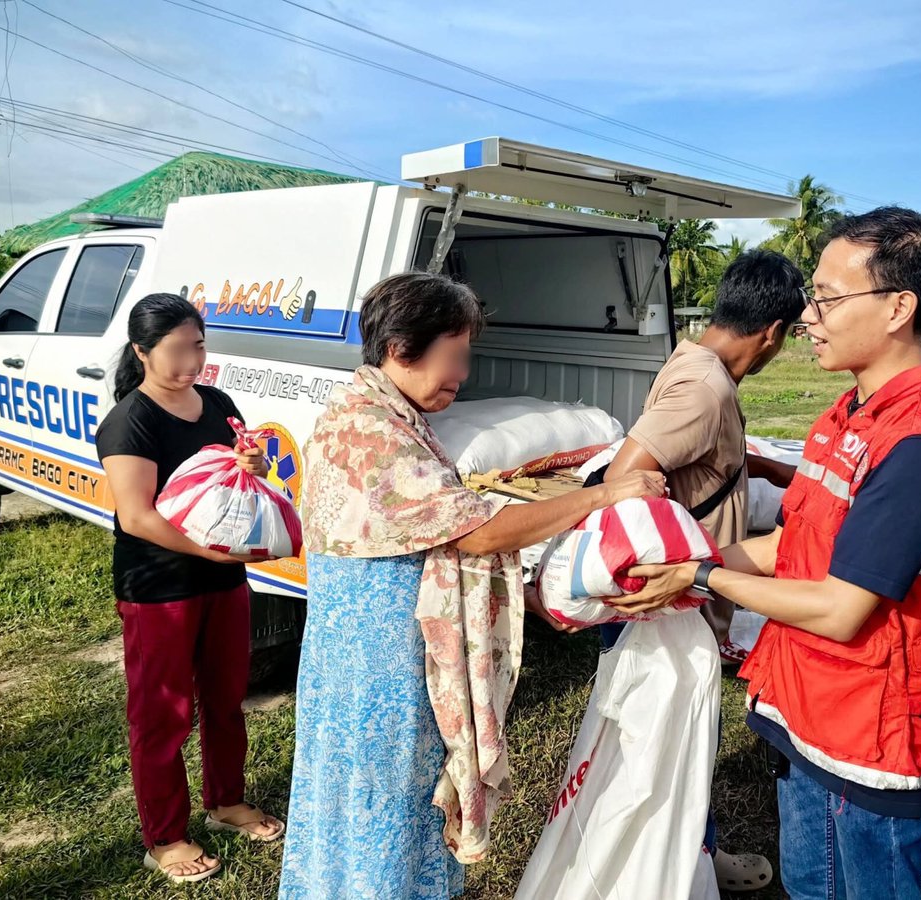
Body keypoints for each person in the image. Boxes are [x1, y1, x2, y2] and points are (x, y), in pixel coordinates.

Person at [615, 208, 921, 900]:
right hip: (809, 710)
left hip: (870, 732)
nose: (809, 316)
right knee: (812, 886)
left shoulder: (918, 447)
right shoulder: (844, 418)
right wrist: (688, 561)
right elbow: (792, 542)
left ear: (899, 307)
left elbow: (843, 609)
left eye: (828, 298)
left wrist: (700, 573)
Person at [277, 272, 664, 900]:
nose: (462, 372)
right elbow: (478, 532)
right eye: (455, 355)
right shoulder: (371, 433)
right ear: (403, 347)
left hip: (371, 651)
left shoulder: (383, 411)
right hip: (376, 658)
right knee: (385, 792)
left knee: (378, 789)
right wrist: (604, 494)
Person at [600, 247, 805, 893]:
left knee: (678, 750)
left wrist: (752, 467)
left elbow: (687, 457)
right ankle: (667, 872)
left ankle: (695, 854)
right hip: (669, 605)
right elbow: (623, 475)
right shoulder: (706, 386)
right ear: (772, 332)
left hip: (679, 600)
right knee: (664, 754)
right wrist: (675, 564)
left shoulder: (694, 361)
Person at [96, 294, 284, 884]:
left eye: (198, 346)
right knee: (164, 717)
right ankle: (166, 837)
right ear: (142, 353)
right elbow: (139, 517)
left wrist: (250, 466)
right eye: (176, 350)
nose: (190, 361)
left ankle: (225, 802)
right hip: (159, 588)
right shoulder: (131, 420)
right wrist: (211, 551)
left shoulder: (218, 402)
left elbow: (229, 477)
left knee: (226, 700)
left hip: (223, 579)